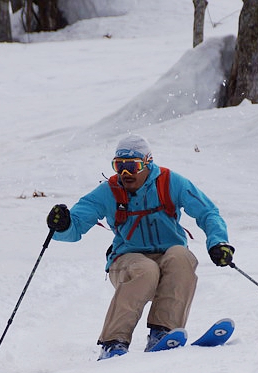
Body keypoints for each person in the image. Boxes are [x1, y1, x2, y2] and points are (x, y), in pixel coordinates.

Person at [46, 134, 234, 360]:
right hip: (126, 260)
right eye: (119, 167)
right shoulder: (109, 191)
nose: (125, 174)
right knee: (146, 269)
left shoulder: (170, 182)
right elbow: (74, 228)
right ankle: (113, 343)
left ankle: (163, 332)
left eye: (132, 166)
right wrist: (63, 225)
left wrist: (218, 242)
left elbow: (208, 212)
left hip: (168, 257)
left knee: (181, 257)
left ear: (148, 163)